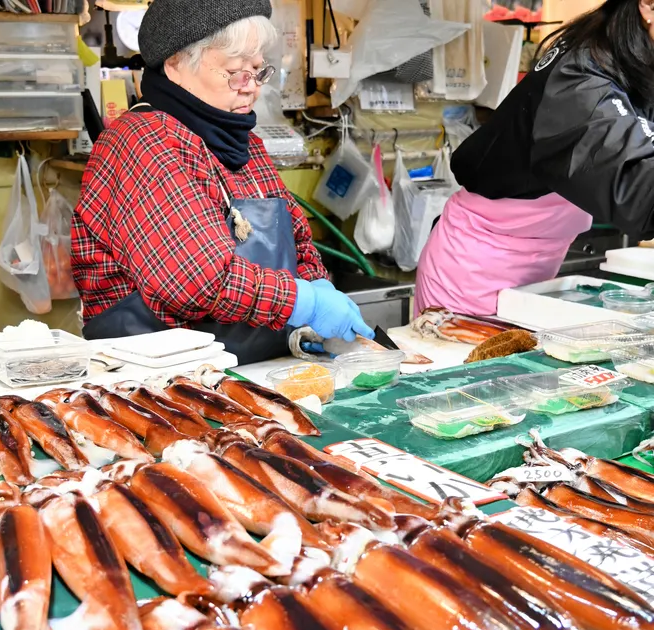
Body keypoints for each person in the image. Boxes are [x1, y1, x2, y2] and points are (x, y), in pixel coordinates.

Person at [71, 0, 374, 363]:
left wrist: (316, 285)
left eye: (258, 71)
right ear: (176, 65)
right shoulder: (142, 141)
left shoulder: (243, 145)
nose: (252, 89)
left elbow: (298, 243)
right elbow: (194, 280)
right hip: (155, 386)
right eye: (236, 72)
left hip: (248, 372)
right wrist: (303, 302)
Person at [414, 0, 654, 318]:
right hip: (473, 272)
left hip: (535, 274)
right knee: (464, 368)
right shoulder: (583, 77)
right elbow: (636, 190)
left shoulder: (632, 66)